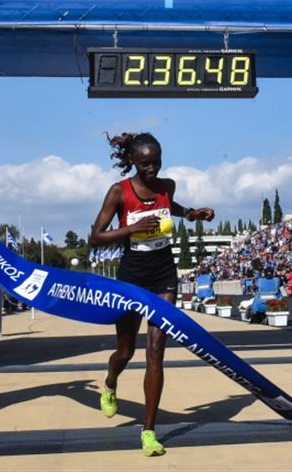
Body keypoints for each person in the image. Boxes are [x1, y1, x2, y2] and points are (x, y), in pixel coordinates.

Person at [88, 132, 214, 457]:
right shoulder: (119, 192)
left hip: (163, 276)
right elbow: (95, 237)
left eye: (156, 161)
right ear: (132, 161)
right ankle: (111, 380)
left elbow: (169, 207)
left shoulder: (166, 186)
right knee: (126, 352)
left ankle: (148, 431)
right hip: (132, 277)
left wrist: (191, 215)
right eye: (145, 164)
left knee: (156, 351)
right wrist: (132, 228)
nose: (152, 169)